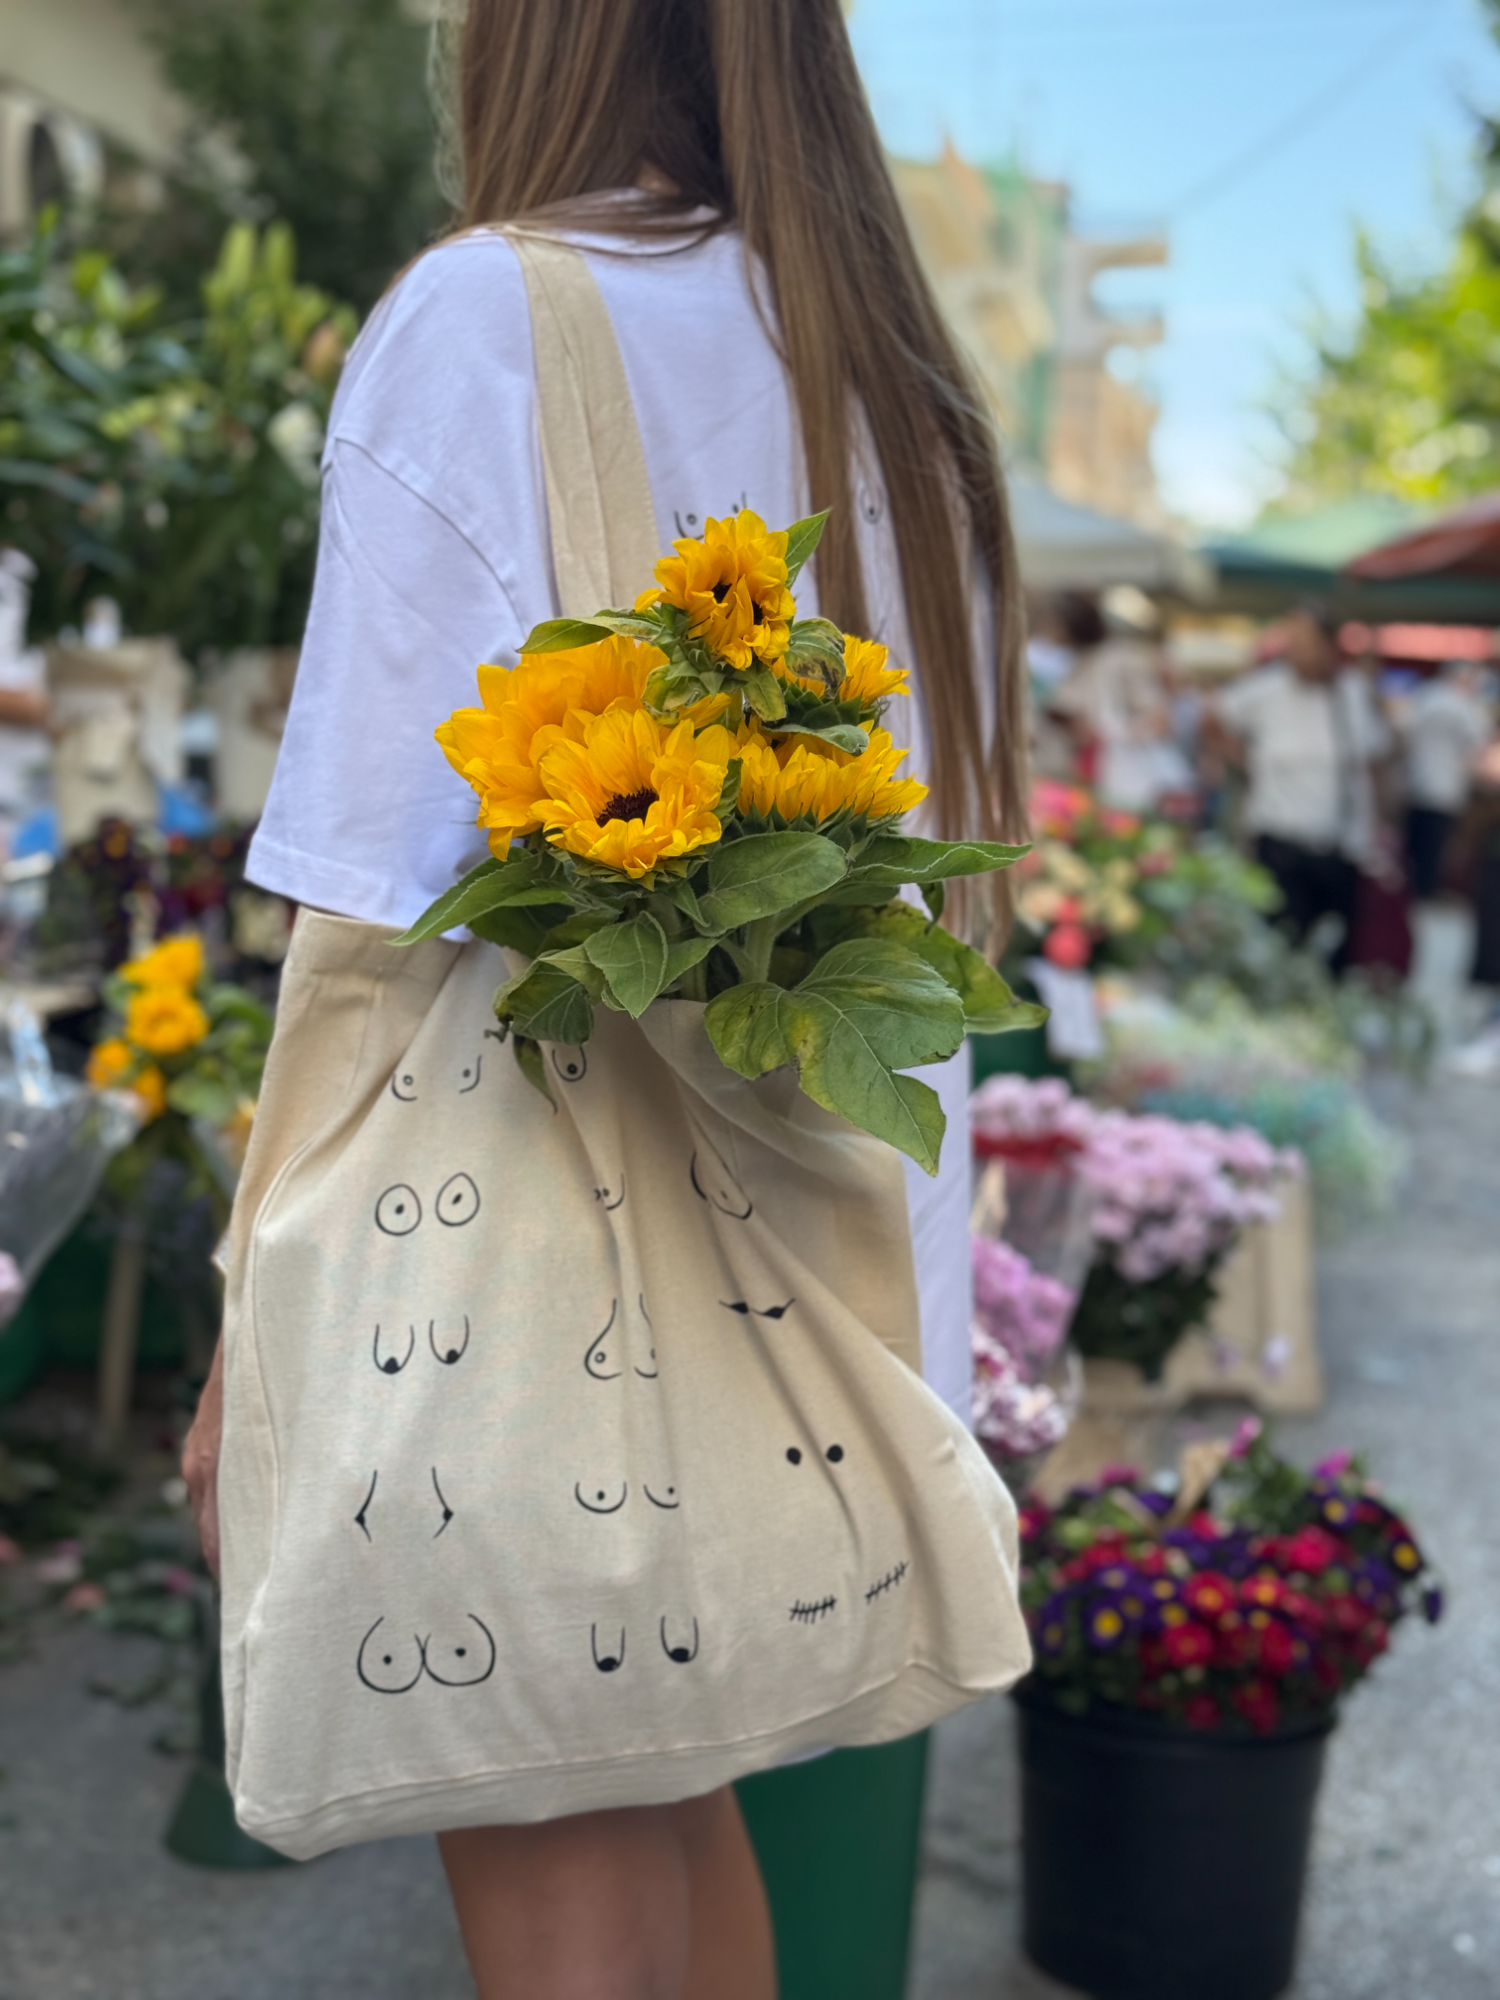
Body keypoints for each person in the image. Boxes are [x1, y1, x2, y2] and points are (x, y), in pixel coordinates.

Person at [180, 4, 1028, 1996]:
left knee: (568, 1846)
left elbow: (375, 896)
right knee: (663, 1783)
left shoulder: (494, 318)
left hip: (528, 1292)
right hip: (818, 1243)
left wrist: (252, 1340)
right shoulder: (898, 390)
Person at [1206, 605, 1390, 972]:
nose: (1297, 651)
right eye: (1292, 641)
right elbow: (1212, 717)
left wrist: (1381, 834)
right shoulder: (1265, 688)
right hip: (1280, 841)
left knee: (1333, 954)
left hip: (1339, 845)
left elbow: (1376, 758)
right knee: (1278, 949)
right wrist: (1246, 760)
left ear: (1329, 645)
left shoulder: (1350, 691)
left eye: (1306, 642)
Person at [1401, 660, 1492, 902]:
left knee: (1413, 858)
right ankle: (1425, 902)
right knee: (1432, 860)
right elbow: (1480, 751)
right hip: (1443, 793)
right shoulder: (1462, 704)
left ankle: (1411, 904)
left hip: (1415, 788)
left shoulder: (1426, 696)